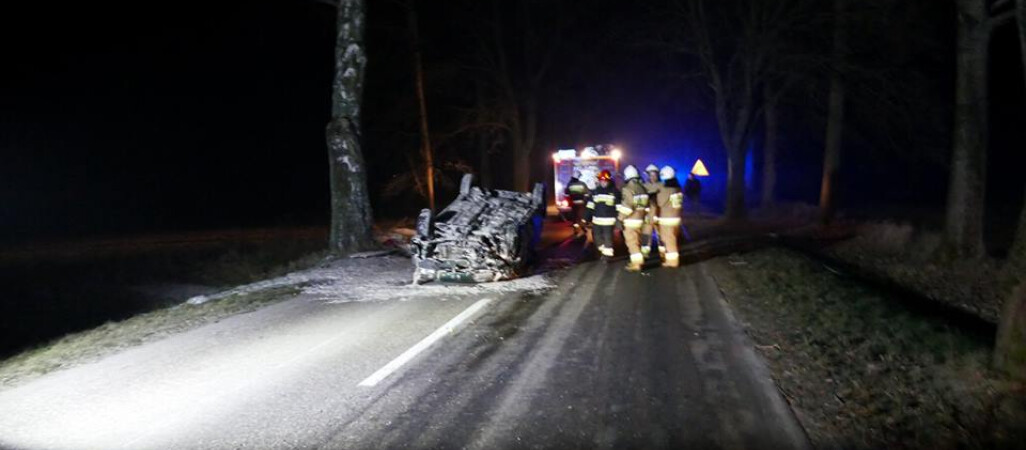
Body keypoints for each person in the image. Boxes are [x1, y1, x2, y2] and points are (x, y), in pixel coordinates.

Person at [618, 165, 648, 271]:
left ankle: (637, 264)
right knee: (637, 241)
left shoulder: (628, 189)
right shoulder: (642, 188)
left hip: (631, 221)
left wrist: (620, 219)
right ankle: (637, 261)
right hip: (640, 219)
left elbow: (627, 206)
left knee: (632, 242)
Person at [585, 170, 619, 261]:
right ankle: (604, 251)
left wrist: (619, 220)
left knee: (608, 238)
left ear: (609, 181)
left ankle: (607, 256)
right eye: (601, 180)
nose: (603, 182)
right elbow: (590, 206)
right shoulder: (596, 192)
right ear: (599, 181)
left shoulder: (615, 192)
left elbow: (618, 207)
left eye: (605, 180)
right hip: (597, 221)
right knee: (597, 238)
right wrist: (586, 218)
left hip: (609, 221)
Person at [656, 165, 684, 268]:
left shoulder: (666, 190)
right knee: (671, 238)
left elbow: (660, 202)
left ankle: (672, 262)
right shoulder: (678, 188)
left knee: (669, 240)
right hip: (676, 217)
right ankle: (670, 259)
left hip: (667, 219)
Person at [642, 164, 663, 260]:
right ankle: (645, 254)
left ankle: (663, 253)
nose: (652, 177)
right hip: (648, 215)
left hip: (660, 214)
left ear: (658, 175)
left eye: (654, 175)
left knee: (661, 234)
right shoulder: (644, 186)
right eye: (650, 175)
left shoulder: (662, 185)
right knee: (646, 234)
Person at [565, 170, 590, 237]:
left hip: (573, 204)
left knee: (575, 218)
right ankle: (583, 228)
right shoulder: (582, 184)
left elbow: (566, 193)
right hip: (581, 204)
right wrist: (585, 201)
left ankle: (576, 230)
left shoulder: (569, 184)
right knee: (581, 217)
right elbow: (587, 194)